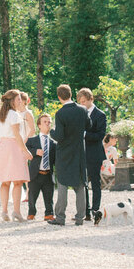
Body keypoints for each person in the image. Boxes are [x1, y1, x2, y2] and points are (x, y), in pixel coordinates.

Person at [47, 84, 87, 226]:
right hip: (79, 152)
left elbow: (59, 136)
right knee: (80, 185)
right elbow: (89, 125)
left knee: (63, 184)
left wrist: (51, 131)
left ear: (59, 97)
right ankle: (80, 217)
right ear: (71, 94)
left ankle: (60, 217)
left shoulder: (60, 114)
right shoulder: (82, 110)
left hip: (64, 154)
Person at [0, 89, 31, 221]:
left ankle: (4, 211)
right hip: (13, 147)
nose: (20, 101)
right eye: (18, 99)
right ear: (12, 101)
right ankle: (17, 211)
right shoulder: (14, 115)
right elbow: (17, 135)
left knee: (5, 181)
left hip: (2, 147)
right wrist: (25, 150)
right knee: (18, 181)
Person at [78, 88, 107, 223]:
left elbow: (100, 135)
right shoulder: (80, 114)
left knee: (95, 182)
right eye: (80, 102)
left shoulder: (100, 115)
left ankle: (95, 210)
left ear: (91, 99)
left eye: (84, 101)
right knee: (83, 183)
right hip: (81, 153)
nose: (82, 104)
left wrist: (84, 135)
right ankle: (85, 211)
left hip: (94, 154)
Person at [25, 114, 54, 221]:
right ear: (39, 125)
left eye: (49, 122)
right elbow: (24, 150)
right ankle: (31, 213)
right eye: (45, 122)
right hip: (35, 174)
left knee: (49, 196)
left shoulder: (53, 143)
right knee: (32, 195)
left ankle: (49, 213)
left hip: (47, 174)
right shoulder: (32, 140)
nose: (47, 124)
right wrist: (35, 152)